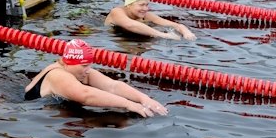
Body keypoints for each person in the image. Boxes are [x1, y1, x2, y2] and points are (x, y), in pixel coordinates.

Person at [24, 38, 168, 116]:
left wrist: (144, 99)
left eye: (89, 65)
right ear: (69, 62)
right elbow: (86, 95)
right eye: (84, 65)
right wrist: (128, 104)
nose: (88, 70)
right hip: (27, 111)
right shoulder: (58, 75)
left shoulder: (77, 71)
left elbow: (112, 86)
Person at [105, 0, 197, 40]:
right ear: (129, 4)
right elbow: (130, 25)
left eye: (147, 5)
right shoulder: (117, 12)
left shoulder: (145, 15)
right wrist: (163, 35)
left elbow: (174, 25)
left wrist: (186, 32)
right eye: (141, 5)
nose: (145, 9)